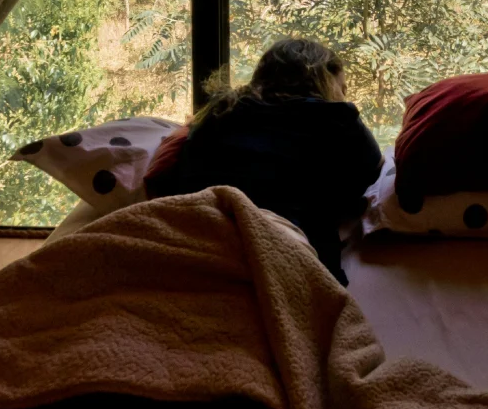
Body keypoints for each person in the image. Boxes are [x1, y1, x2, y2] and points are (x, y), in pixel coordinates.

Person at [145, 38, 383, 283]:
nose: (343, 96)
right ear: (325, 81)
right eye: (341, 89)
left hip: (191, 241)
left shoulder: (217, 113)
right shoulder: (336, 117)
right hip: (282, 248)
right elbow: (372, 173)